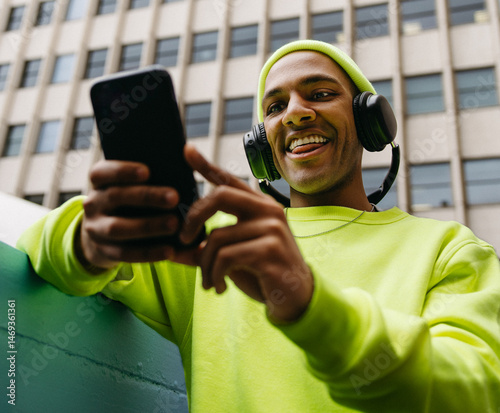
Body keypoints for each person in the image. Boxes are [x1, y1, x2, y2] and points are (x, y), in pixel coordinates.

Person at [17, 40, 500, 412]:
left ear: (370, 120)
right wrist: (87, 241)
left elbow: (471, 393)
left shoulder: (449, 250)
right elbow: (36, 247)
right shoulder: (214, 239)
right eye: (274, 107)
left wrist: (311, 306)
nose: (295, 113)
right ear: (261, 145)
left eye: (321, 94)